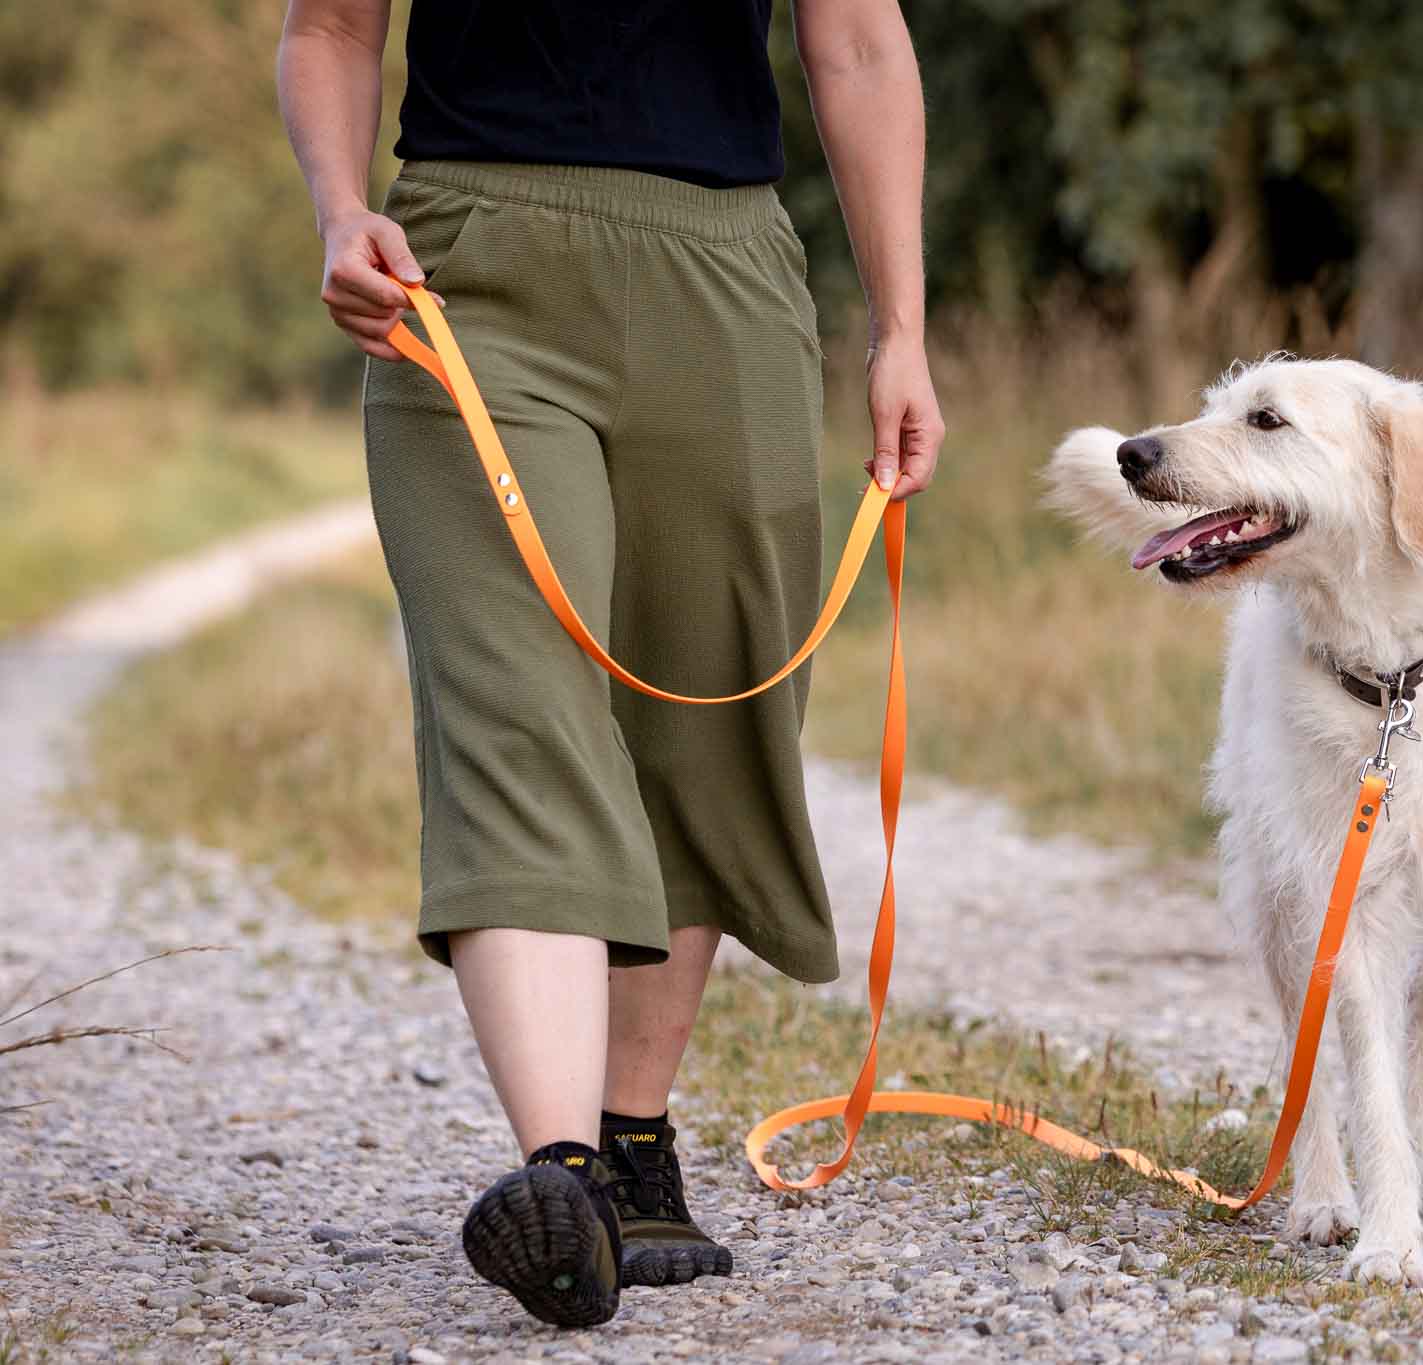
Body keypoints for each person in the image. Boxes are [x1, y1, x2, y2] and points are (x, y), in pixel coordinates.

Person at [277, 0, 943, 1328]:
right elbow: (332, 28)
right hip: (464, 269)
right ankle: (563, 1177)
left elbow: (858, 44)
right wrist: (341, 211)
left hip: (725, 280)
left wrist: (902, 332)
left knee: (701, 718)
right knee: (513, 707)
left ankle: (634, 1141)